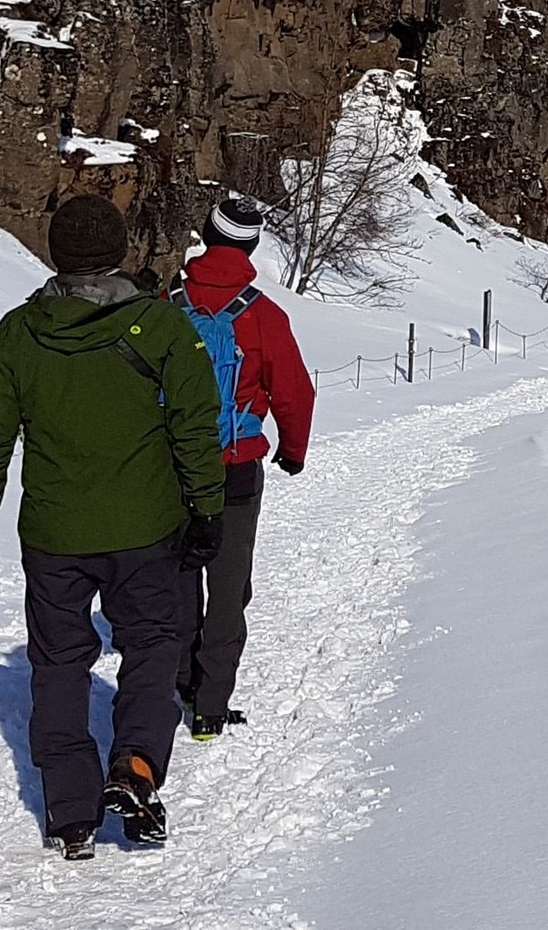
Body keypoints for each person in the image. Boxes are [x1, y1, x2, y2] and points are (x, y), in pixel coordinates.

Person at [0, 195, 224, 861]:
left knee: (58, 663)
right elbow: (196, 426)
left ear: (55, 253)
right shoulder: (160, 329)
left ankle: (71, 813)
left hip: (53, 535)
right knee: (154, 644)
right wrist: (207, 509)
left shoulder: (18, 332)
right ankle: (134, 767)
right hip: (147, 527)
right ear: (120, 251)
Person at [171, 195, 315, 742]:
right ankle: (210, 708)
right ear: (252, 245)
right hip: (235, 469)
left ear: (207, 235)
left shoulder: (169, 302)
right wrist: (292, 449)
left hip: (176, 465)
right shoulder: (262, 313)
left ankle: (180, 681)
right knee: (229, 587)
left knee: (182, 575)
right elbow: (294, 391)